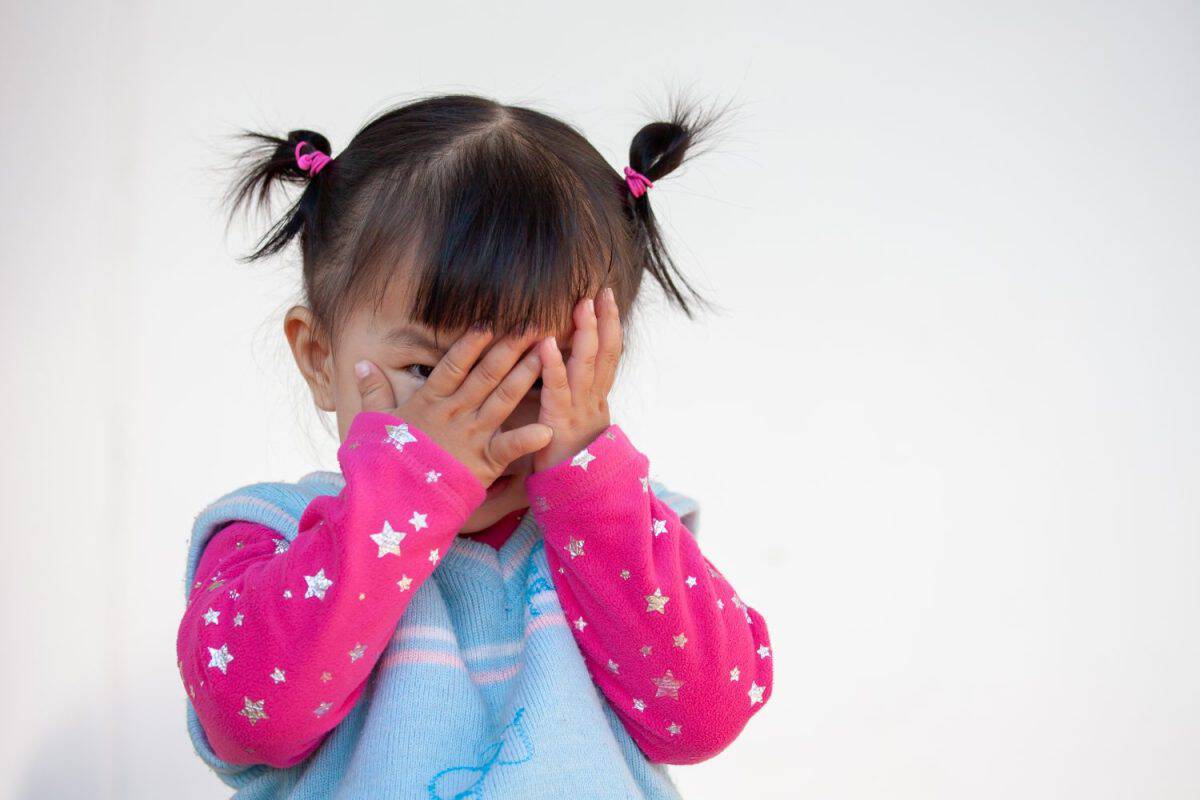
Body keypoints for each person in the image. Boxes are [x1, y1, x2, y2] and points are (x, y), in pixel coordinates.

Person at [176, 93, 773, 799]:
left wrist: (594, 489)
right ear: (318, 358)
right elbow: (253, 723)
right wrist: (404, 493)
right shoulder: (268, 539)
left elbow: (702, 719)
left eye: (536, 374)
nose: (481, 424)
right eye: (429, 372)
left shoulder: (623, 534)